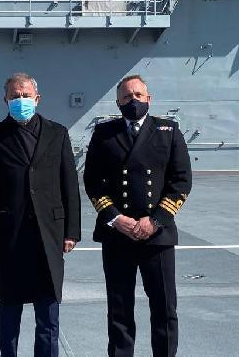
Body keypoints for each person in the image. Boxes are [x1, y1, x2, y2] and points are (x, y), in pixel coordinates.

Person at [0, 72, 81, 357]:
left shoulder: (58, 133)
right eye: (15, 96)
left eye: (26, 95)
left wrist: (71, 231)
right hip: (9, 235)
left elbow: (69, 184)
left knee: (48, 314)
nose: (20, 100)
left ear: (37, 98)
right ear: (5, 100)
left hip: (49, 234)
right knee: (10, 311)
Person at [83, 75, 192, 357]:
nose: (133, 101)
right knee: (119, 309)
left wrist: (155, 221)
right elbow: (93, 182)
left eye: (138, 95)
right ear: (118, 102)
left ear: (148, 98)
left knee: (164, 307)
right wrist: (116, 218)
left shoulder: (168, 131)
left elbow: (181, 181)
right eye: (127, 97)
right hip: (117, 234)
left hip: (157, 235)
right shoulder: (104, 133)